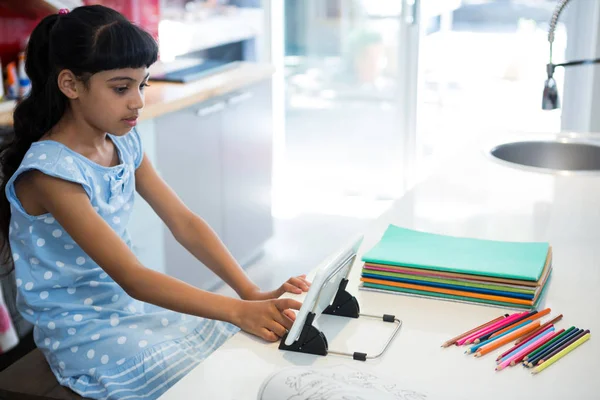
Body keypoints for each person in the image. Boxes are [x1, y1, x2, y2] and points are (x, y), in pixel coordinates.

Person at [0, 5, 309, 399]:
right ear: (70, 85)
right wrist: (236, 309)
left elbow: (184, 222)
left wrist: (248, 291)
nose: (138, 102)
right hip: (84, 334)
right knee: (209, 378)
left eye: (142, 85)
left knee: (236, 354)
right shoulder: (51, 172)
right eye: (120, 87)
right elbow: (132, 276)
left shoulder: (123, 141)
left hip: (131, 312)